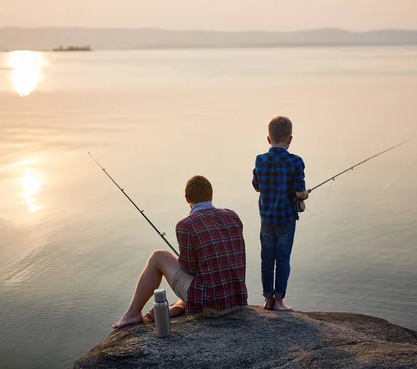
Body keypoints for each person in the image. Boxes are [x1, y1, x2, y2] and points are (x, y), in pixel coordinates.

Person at [113, 175, 248, 329]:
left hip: (213, 307)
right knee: (204, 273)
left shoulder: (186, 225)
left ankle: (133, 313)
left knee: (159, 256)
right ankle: (180, 305)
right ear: (211, 195)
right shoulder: (232, 215)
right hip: (237, 300)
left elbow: (189, 269)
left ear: (186, 198)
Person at [252, 115, 308, 311]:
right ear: (290, 139)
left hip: (266, 219)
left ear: (269, 139)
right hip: (286, 220)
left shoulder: (260, 160)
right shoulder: (296, 162)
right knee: (283, 259)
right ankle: (279, 301)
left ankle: (267, 299)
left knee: (267, 259)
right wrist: (305, 195)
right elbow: (299, 193)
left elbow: (256, 186)